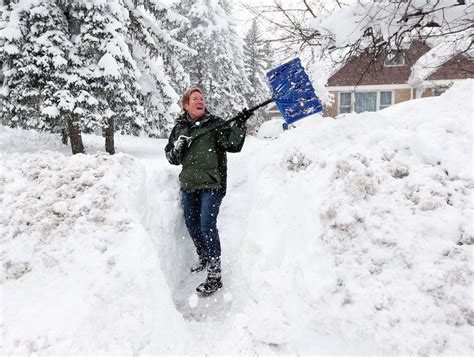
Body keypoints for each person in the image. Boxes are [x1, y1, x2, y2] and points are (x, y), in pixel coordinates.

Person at [164, 87, 252, 295]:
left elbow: (233, 144)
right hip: (189, 185)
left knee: (206, 224)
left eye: (202, 98)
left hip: (212, 184)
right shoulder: (179, 128)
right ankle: (204, 255)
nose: (200, 101)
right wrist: (178, 148)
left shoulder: (215, 124)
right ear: (186, 105)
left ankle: (215, 272)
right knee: (192, 224)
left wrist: (240, 123)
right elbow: (171, 158)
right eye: (195, 98)